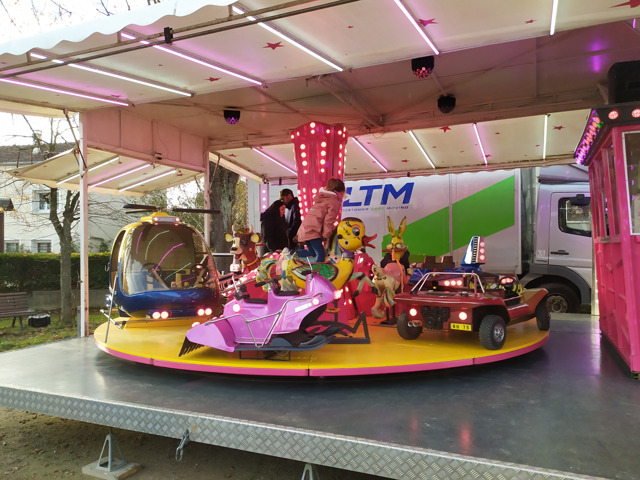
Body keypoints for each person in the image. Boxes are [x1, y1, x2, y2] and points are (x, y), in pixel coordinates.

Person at [295, 178, 346, 262]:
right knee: (321, 254)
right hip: (313, 230)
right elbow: (329, 220)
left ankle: (290, 253)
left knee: (311, 252)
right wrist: (326, 235)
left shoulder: (322, 197)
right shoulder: (334, 201)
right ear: (341, 191)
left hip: (305, 228)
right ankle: (318, 270)